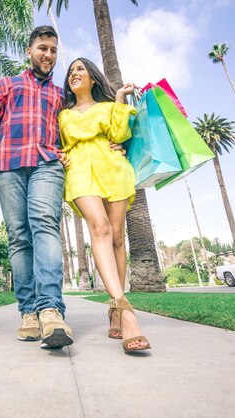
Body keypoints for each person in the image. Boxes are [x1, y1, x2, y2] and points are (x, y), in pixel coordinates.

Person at [0, 26, 73, 349]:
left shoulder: (60, 95)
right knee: (19, 236)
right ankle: (28, 312)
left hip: (46, 163)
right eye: (43, 48)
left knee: (45, 226)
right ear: (29, 51)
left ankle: (51, 310)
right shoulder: (7, 84)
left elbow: (79, 126)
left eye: (53, 50)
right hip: (8, 164)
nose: (48, 55)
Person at [58, 57, 150, 353]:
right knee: (99, 228)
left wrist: (121, 97)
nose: (74, 73)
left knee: (118, 235)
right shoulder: (63, 115)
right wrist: (60, 156)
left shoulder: (109, 107)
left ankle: (112, 308)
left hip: (113, 167)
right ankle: (125, 310)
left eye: (80, 69)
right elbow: (57, 143)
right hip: (80, 170)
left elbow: (121, 135)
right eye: (71, 71)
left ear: (93, 78)